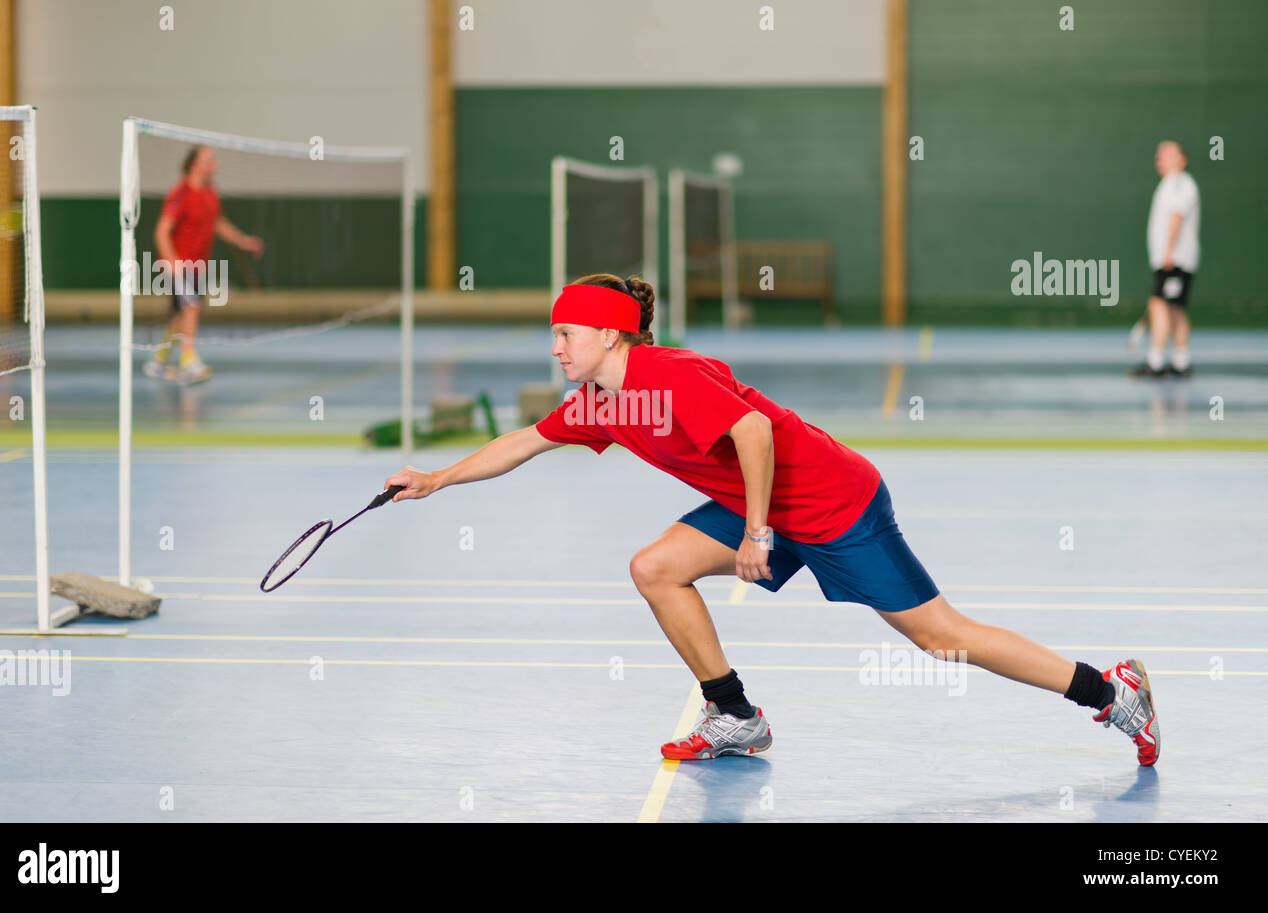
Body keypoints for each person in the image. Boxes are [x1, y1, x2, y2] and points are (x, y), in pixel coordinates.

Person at [385, 274, 1160, 765]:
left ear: (610, 335)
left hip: (830, 502)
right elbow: (525, 439)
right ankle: (734, 715)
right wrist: (436, 478)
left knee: (939, 636)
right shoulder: (600, 402)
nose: (555, 348)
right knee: (655, 568)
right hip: (756, 504)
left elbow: (752, 433)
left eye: (566, 334)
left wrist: (758, 531)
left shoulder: (671, 374)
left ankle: (1109, 691)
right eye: (553, 334)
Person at [145, 145, 264, 383]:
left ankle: (158, 361)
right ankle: (189, 362)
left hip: (199, 265)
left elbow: (217, 222)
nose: (214, 164)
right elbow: (162, 231)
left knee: (181, 314)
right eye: (208, 159)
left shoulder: (210, 193)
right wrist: (172, 261)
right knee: (191, 307)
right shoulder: (181, 194)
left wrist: (242, 240)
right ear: (194, 164)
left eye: (214, 159)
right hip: (179, 265)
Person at [1129, 141, 1200, 378]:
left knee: (1160, 306)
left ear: (1182, 159)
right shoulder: (1169, 184)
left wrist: (1169, 252)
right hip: (1170, 259)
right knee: (1175, 308)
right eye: (1159, 153)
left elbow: (1177, 216)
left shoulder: (1181, 183)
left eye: (1168, 153)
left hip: (1175, 260)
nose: (1160, 157)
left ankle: (1156, 362)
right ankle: (1181, 362)